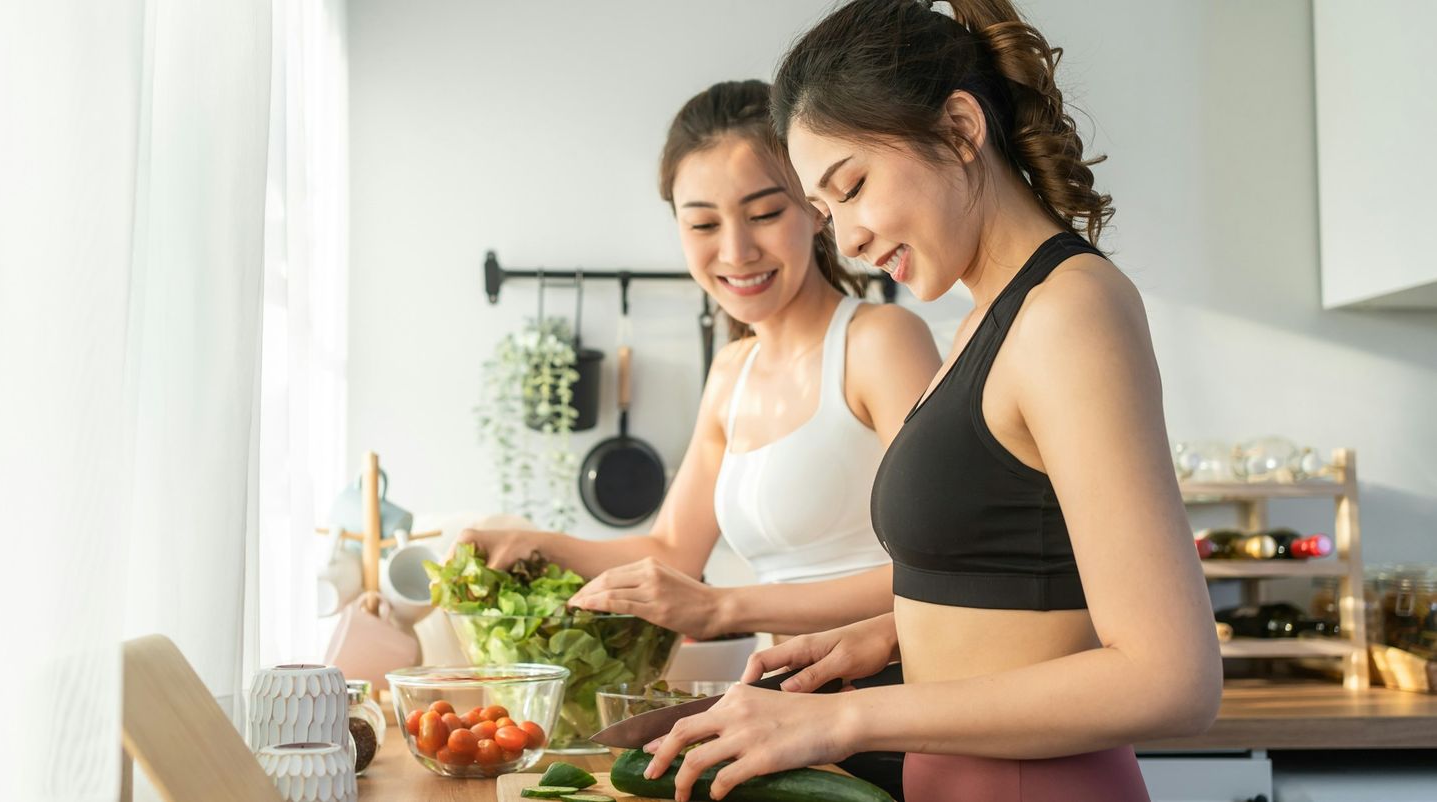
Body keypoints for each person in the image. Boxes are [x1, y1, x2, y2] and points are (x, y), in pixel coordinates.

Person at [639, 2, 1221, 800]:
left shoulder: (1068, 312)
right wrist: (881, 638)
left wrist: (842, 721)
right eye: (825, 210)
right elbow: (1027, 588)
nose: (845, 240)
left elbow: (1172, 680)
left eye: (852, 188)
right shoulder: (988, 317)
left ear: (958, 127)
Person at [456, 80, 941, 640]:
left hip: (892, 690)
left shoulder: (880, 340)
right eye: (704, 224)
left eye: (763, 214)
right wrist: (535, 544)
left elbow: (946, 570)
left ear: (814, 210)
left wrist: (725, 608)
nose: (736, 252)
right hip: (782, 694)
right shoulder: (731, 374)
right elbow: (671, 552)